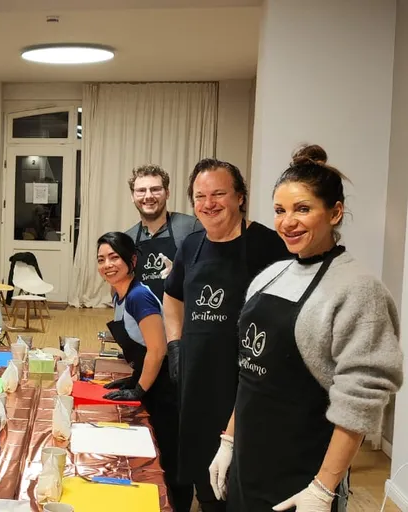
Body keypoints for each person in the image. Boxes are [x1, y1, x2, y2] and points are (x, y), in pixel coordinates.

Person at [207, 145, 403, 512]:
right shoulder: (271, 276)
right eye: (280, 210)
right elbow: (252, 372)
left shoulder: (358, 289)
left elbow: (360, 401)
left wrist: (323, 489)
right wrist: (229, 441)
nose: (287, 222)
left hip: (302, 472)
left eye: (303, 209)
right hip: (248, 462)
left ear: (335, 212)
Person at [162, 158, 290, 512]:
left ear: (240, 198)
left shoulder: (270, 247)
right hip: (198, 380)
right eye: (200, 196)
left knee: (241, 486)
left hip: (247, 386)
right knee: (204, 481)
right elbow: (172, 298)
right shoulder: (191, 245)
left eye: (219, 193)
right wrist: (175, 345)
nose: (209, 203)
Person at [97, 231, 193, 512]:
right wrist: (134, 377)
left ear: (132, 259)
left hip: (168, 387)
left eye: (114, 257)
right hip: (152, 379)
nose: (107, 264)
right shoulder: (119, 294)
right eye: (101, 259)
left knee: (170, 457)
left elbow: (157, 349)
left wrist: (140, 388)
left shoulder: (139, 297)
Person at [124, 164, 201, 299]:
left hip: (182, 316)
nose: (148, 196)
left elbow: (212, 271)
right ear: (132, 196)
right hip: (142, 317)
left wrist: (182, 274)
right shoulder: (127, 239)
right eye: (141, 190)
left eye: (155, 189)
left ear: (167, 193)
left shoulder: (192, 227)